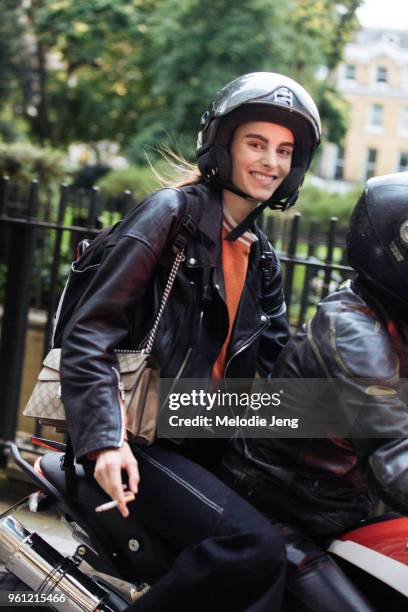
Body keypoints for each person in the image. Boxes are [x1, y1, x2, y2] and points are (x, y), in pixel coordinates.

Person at [60, 72, 321, 611]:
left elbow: (276, 371)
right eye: (256, 143)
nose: (270, 161)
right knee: (251, 547)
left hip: (203, 435)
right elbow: (89, 333)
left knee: (300, 551)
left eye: (283, 150)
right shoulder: (170, 215)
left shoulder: (260, 256)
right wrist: (106, 441)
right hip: (137, 435)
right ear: (221, 145)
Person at [219, 172, 408, 611]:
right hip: (281, 513)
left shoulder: (398, 319)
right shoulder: (352, 330)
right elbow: (395, 456)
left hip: (345, 514)